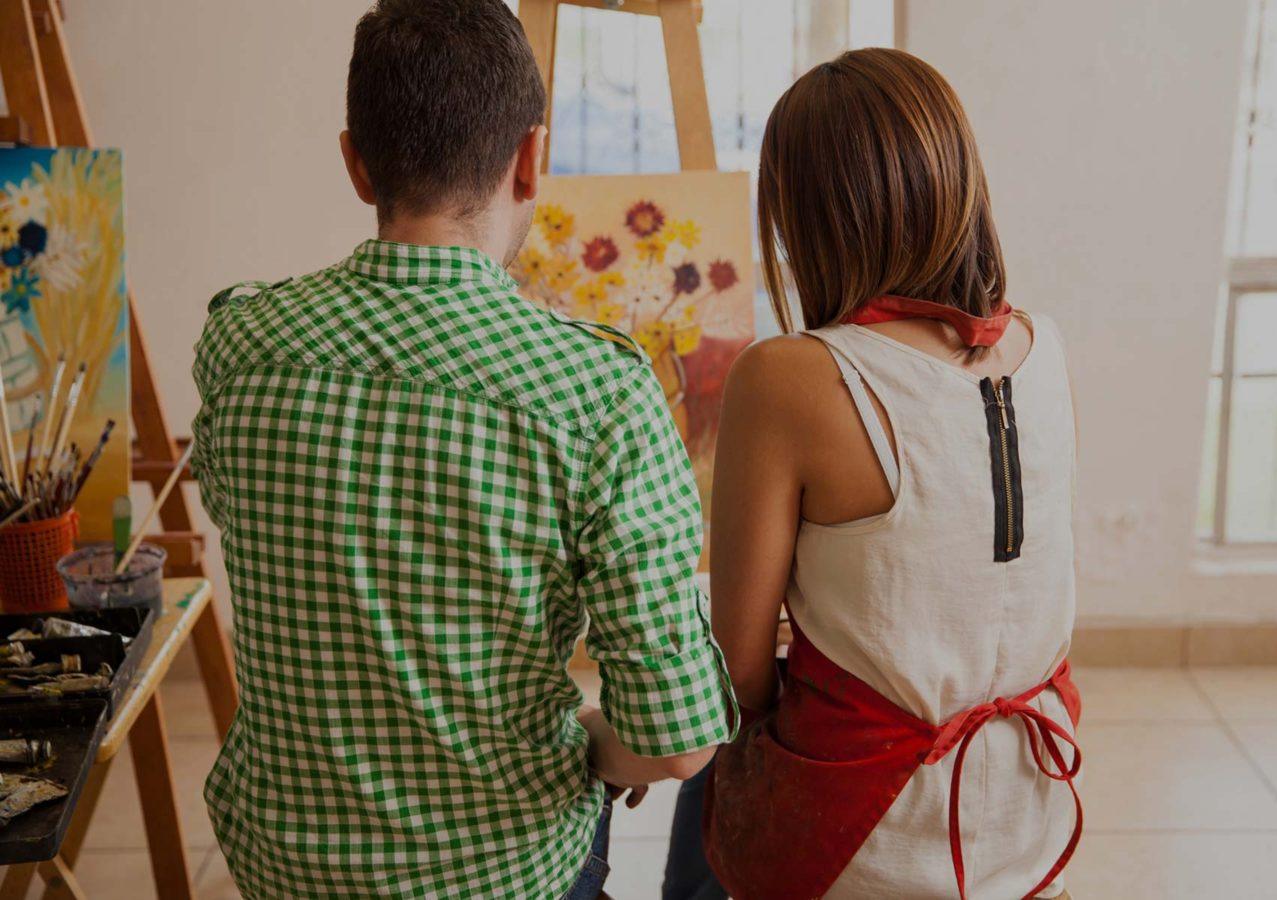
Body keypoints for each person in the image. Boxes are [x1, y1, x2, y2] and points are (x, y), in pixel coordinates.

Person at [190, 2, 735, 896]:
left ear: (357, 165)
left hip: (285, 869)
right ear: (531, 158)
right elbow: (677, 742)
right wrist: (594, 744)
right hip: (505, 873)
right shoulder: (598, 393)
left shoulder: (243, 345)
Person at [703, 48, 1082, 899]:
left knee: (707, 764)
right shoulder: (1044, 347)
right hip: (1034, 817)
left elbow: (739, 667)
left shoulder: (790, 376)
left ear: (806, 218)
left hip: (866, 838)